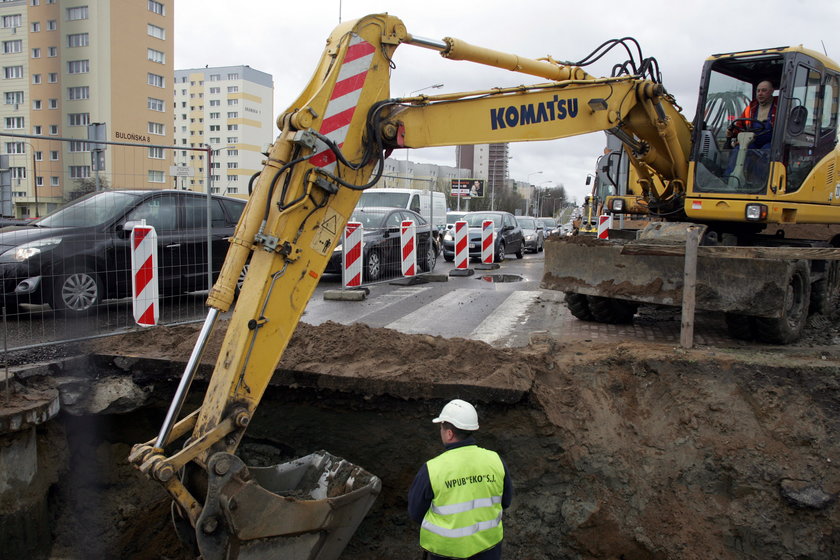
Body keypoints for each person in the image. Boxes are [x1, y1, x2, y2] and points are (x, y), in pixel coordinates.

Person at [408, 399, 513, 559]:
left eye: (442, 428)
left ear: (449, 433)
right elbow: (505, 502)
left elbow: (416, 513)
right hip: (488, 548)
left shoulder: (432, 469)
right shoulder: (496, 460)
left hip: (446, 552)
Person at [726, 80, 778, 149]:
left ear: (772, 91)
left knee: (768, 150)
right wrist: (732, 132)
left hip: (772, 143)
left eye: (764, 90)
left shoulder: (780, 107)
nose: (760, 93)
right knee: (739, 149)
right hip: (752, 141)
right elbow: (739, 125)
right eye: (758, 91)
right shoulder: (750, 109)